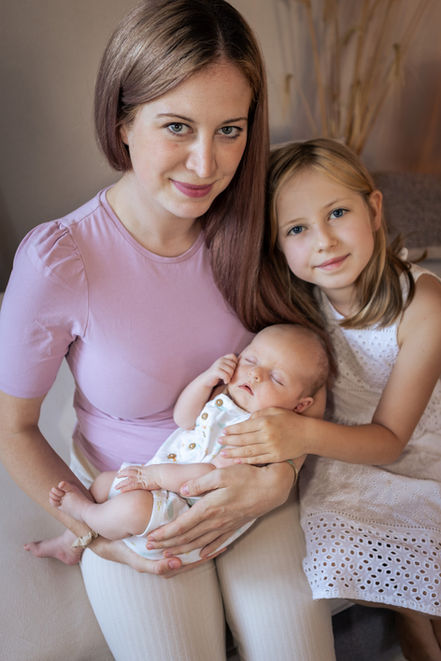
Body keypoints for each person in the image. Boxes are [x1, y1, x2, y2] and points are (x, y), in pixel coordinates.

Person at [0, 2, 337, 660]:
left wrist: (279, 475)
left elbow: (311, 367)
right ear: (123, 120)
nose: (206, 164)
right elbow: (13, 427)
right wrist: (93, 528)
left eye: (230, 130)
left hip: (248, 480)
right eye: (177, 126)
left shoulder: (257, 220)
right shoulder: (59, 260)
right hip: (132, 491)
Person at [220, 138, 441, 660]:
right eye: (296, 229)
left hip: (414, 446)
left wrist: (300, 433)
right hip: (343, 445)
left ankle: (418, 612)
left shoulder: (423, 305)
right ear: (278, 247)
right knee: (339, 535)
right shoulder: (297, 301)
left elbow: (392, 439)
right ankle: (411, 610)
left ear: (374, 210)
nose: (324, 241)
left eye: (338, 212)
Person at [47, 324, 329, 564]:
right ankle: (71, 540)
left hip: (180, 513)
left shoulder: (264, 434)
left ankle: (84, 513)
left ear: (300, 406)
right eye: (251, 360)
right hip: (156, 483)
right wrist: (206, 380)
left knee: (131, 508)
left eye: (277, 379)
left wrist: (153, 477)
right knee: (102, 484)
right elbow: (183, 418)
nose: (256, 374)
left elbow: (209, 476)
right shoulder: (225, 398)